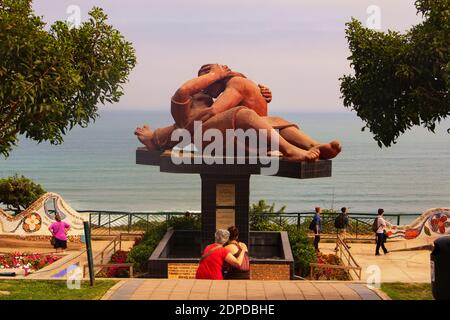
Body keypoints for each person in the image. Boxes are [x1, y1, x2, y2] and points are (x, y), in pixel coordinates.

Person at [135, 64, 342, 162]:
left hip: (228, 140)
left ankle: (312, 144)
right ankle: (290, 150)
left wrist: (257, 95)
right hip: (208, 141)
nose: (207, 92)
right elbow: (183, 92)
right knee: (242, 114)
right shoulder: (183, 108)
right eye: (203, 87)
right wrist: (215, 74)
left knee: (274, 120)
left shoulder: (207, 112)